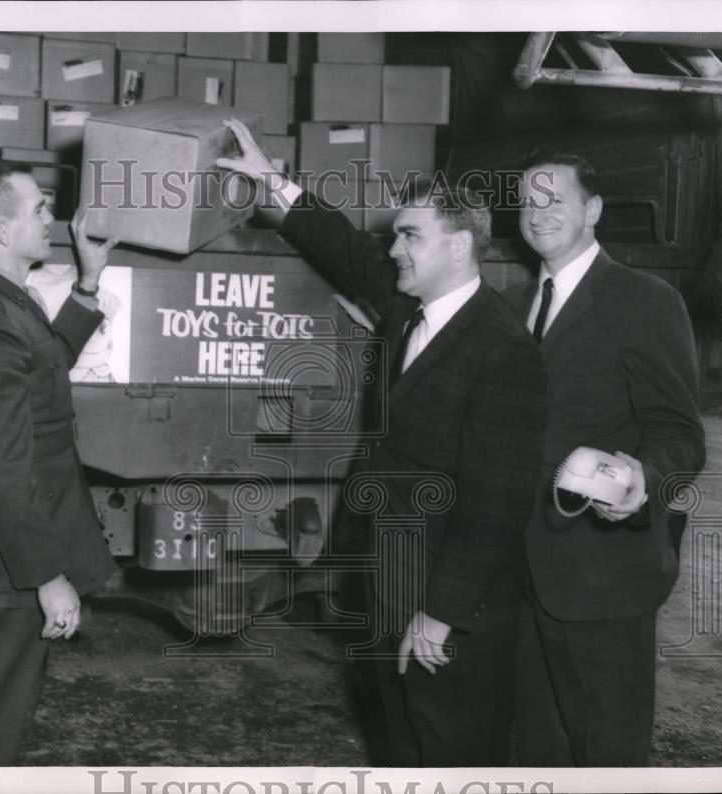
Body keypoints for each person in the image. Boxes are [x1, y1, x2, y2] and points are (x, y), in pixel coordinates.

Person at [217, 119, 546, 766]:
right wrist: (271, 182)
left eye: (410, 235)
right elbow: (342, 246)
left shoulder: (504, 350)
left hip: (447, 609)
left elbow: (497, 504)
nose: (394, 247)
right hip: (393, 583)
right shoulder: (408, 309)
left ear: (459, 247)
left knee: (448, 751)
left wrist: (442, 613)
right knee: (400, 743)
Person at [504, 152, 705, 766]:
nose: (537, 214)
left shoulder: (645, 300)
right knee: (536, 753)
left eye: (553, 199)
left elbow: (677, 430)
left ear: (592, 209)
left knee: (607, 756)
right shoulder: (512, 305)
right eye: (527, 201)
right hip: (518, 577)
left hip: (601, 577)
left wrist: (642, 480)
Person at [0, 160, 120, 765]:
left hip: (5, 559)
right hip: (5, 567)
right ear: (3, 232)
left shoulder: (3, 301)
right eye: (38, 207)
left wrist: (87, 285)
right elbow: (3, 467)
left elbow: (44, 364)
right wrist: (47, 576)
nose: (51, 218)